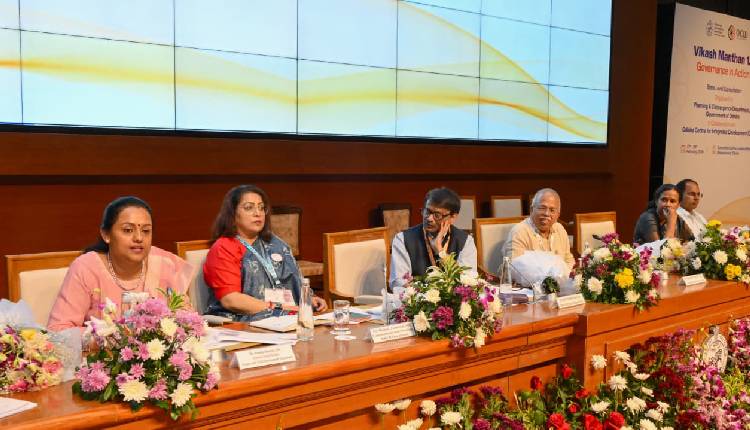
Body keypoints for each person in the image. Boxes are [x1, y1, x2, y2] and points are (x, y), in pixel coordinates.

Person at [48, 196, 195, 331]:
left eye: (146, 231)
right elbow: (58, 329)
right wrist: (108, 338)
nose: (139, 238)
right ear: (106, 235)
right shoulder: (86, 268)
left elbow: (187, 321)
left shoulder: (164, 264)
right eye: (128, 230)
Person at [203, 185, 326, 321]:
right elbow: (231, 300)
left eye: (261, 208)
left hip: (287, 315)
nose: (258, 213)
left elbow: (293, 280)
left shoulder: (277, 244)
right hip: (242, 320)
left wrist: (310, 299)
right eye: (249, 207)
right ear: (232, 214)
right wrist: (279, 307)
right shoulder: (224, 248)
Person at [389, 187, 477, 293]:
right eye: (427, 211)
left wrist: (441, 252)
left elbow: (468, 282)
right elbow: (398, 283)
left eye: (437, 215)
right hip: (416, 300)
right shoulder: (402, 239)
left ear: (452, 217)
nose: (429, 218)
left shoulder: (465, 241)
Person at [501, 188, 575, 271]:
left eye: (552, 210)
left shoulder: (560, 229)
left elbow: (569, 260)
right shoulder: (519, 232)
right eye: (542, 208)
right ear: (532, 209)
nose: (547, 213)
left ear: (558, 215)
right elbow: (514, 269)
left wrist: (566, 274)